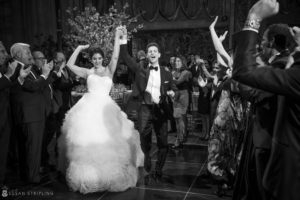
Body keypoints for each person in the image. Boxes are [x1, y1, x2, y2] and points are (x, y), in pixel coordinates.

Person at [57, 26, 144, 194]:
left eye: (99, 58)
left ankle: (108, 174)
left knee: (109, 140)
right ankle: (88, 175)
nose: (97, 60)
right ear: (91, 60)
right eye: (94, 58)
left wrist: (117, 36)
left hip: (105, 108)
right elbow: (69, 64)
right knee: (86, 141)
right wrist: (79, 48)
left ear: (103, 59)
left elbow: (116, 55)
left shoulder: (109, 69)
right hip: (88, 107)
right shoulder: (87, 72)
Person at [232, 1, 300, 200]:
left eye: (262, 40)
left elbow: (252, 87)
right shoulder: (284, 65)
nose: (260, 44)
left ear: (272, 43)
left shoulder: (283, 67)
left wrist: (254, 16)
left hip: (271, 145)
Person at [119, 27, 176, 179]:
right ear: (147, 54)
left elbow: (173, 87)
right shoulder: (140, 69)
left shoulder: (167, 72)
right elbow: (124, 56)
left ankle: (159, 169)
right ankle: (148, 166)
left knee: (163, 143)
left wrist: (172, 92)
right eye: (149, 51)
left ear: (159, 54)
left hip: (161, 110)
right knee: (145, 142)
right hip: (144, 109)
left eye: (154, 51)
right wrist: (123, 38)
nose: (152, 53)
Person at [0, 42, 31, 188]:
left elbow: (10, 89)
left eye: (4, 50)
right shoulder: (7, 70)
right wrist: (8, 76)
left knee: (4, 151)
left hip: (6, 117)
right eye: (1, 51)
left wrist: (19, 78)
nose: (5, 54)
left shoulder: (3, 69)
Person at [171, 56, 192, 148]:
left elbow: (178, 82)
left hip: (183, 96)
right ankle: (181, 137)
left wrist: (168, 78)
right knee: (176, 118)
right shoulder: (173, 72)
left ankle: (179, 140)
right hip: (176, 95)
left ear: (183, 62)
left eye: (179, 61)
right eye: (176, 61)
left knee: (180, 118)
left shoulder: (186, 72)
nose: (176, 63)